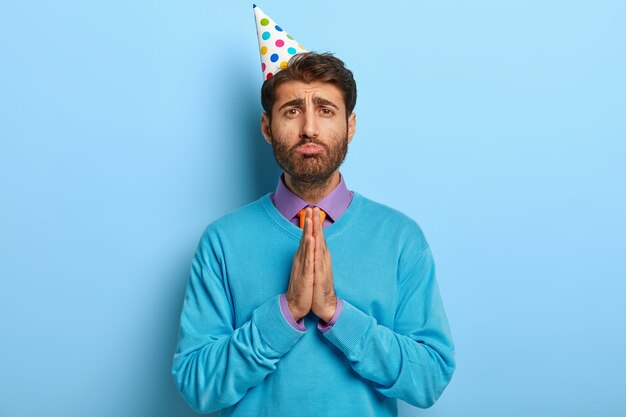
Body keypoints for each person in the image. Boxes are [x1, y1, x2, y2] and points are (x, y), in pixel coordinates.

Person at [171, 6, 455, 417]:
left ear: (350, 125)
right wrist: (285, 313)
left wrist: (336, 315)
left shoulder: (401, 239)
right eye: (291, 111)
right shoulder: (222, 242)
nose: (309, 128)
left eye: (325, 110)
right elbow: (197, 386)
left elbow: (429, 380)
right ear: (267, 127)